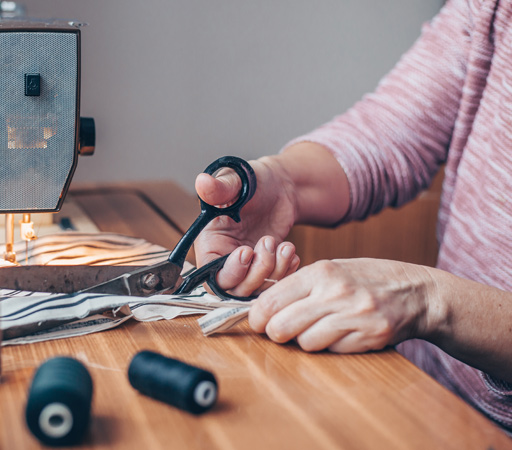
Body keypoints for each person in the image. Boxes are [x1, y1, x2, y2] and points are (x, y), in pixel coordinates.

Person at [193, 0, 512, 434]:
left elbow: (433, 302)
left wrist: (434, 302)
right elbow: (389, 132)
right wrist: (283, 182)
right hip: (419, 394)